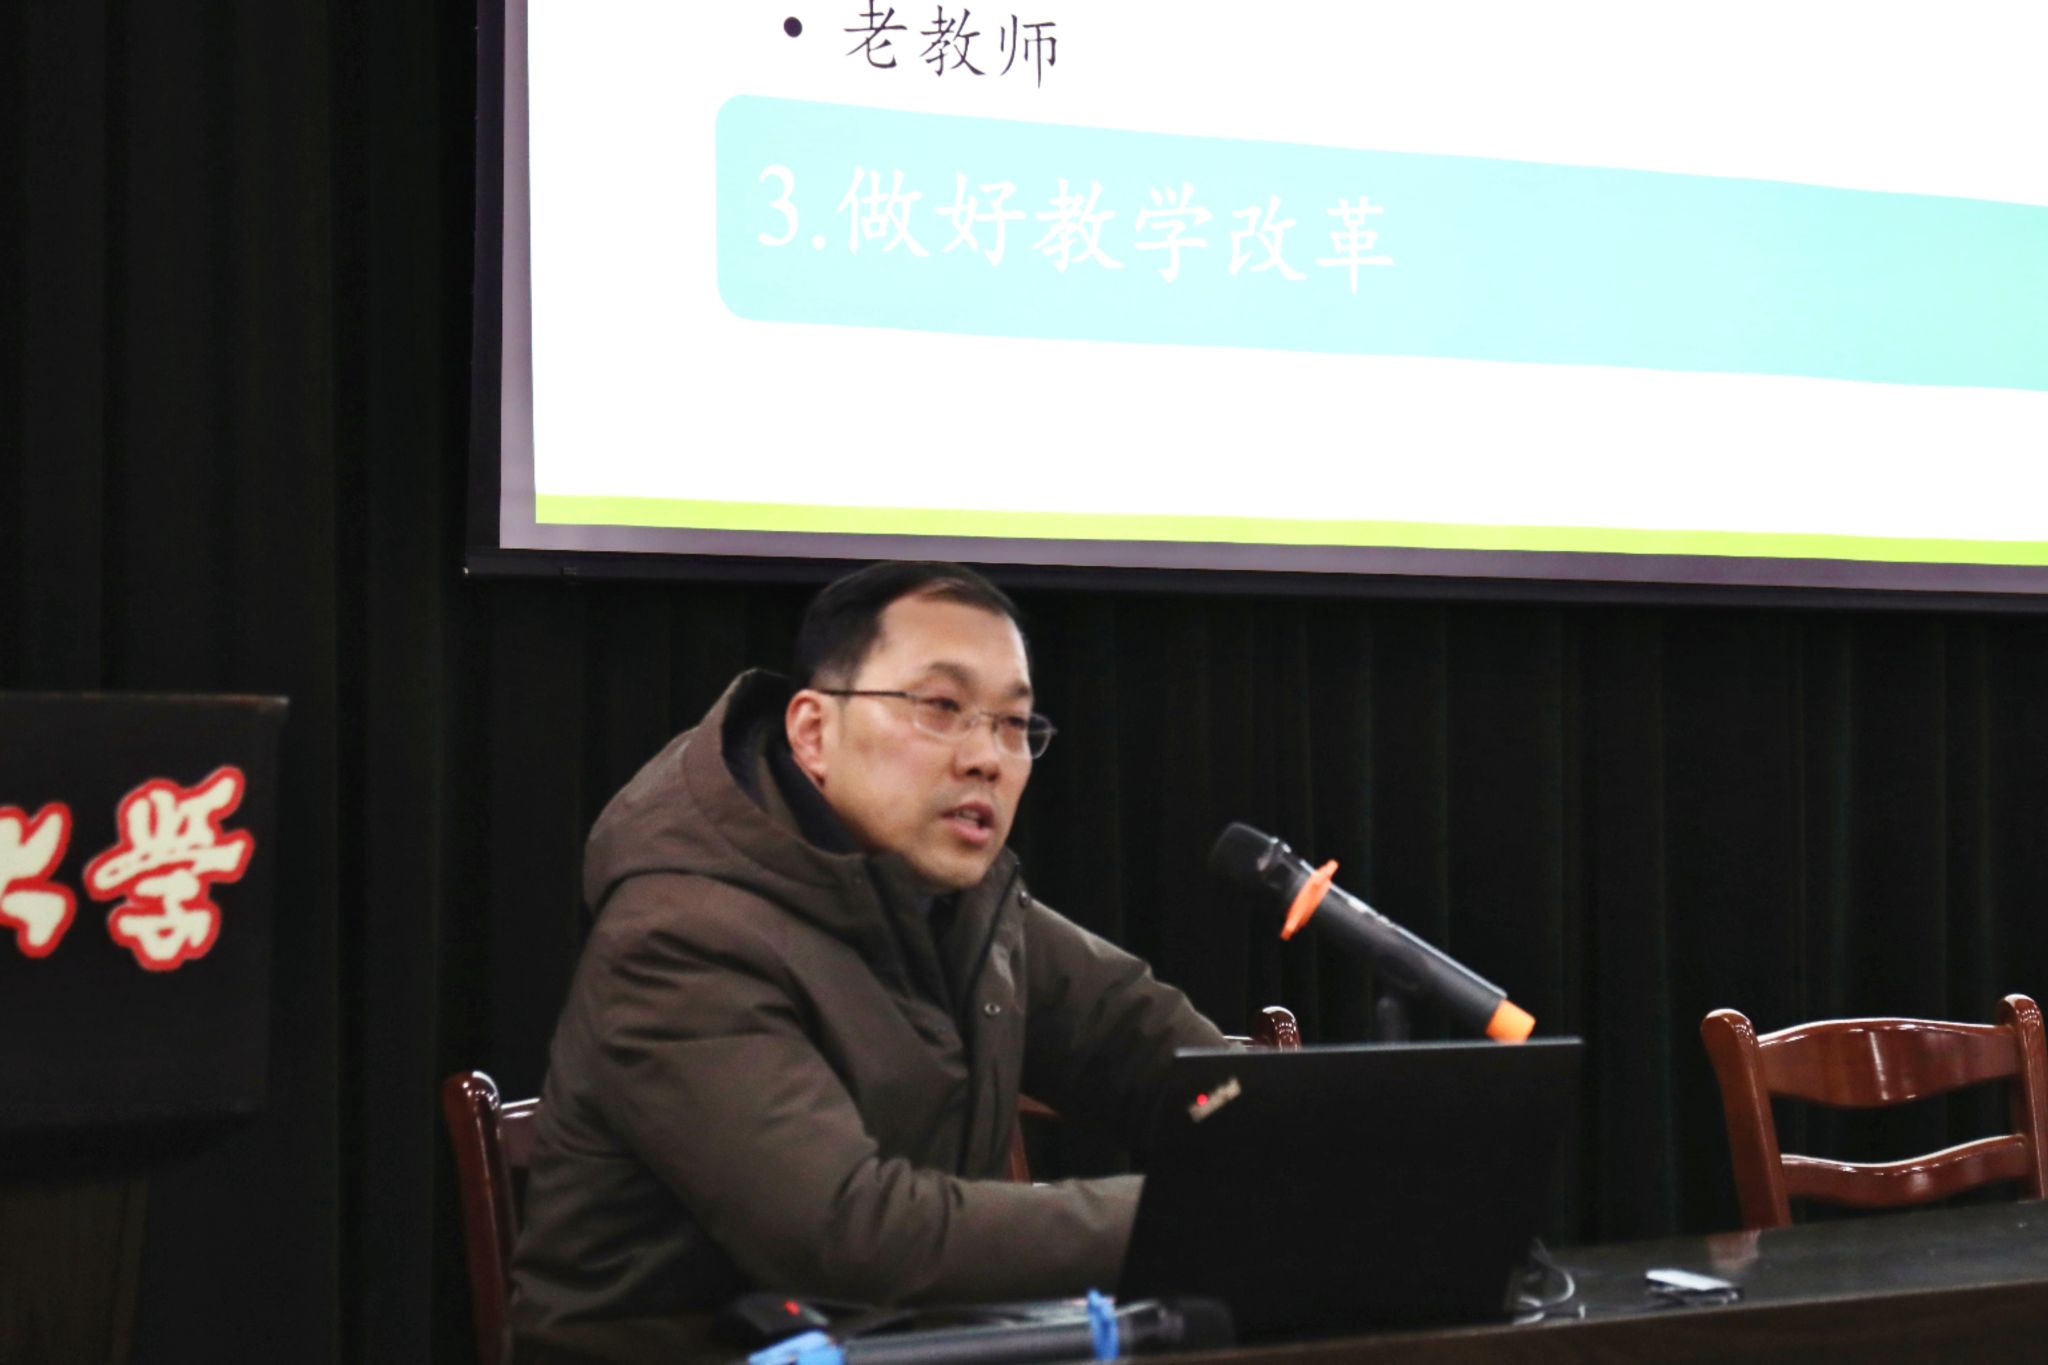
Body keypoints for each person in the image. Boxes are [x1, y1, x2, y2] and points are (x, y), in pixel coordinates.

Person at [510, 561, 1226, 1330]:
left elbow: (1149, 1045)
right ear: (814, 732)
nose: (987, 756)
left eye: (1014, 723)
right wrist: (1193, 1214)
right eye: (942, 706)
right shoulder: (680, 935)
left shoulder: (960, 900)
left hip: (911, 1343)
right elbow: (850, 1235)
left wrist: (1279, 1138)